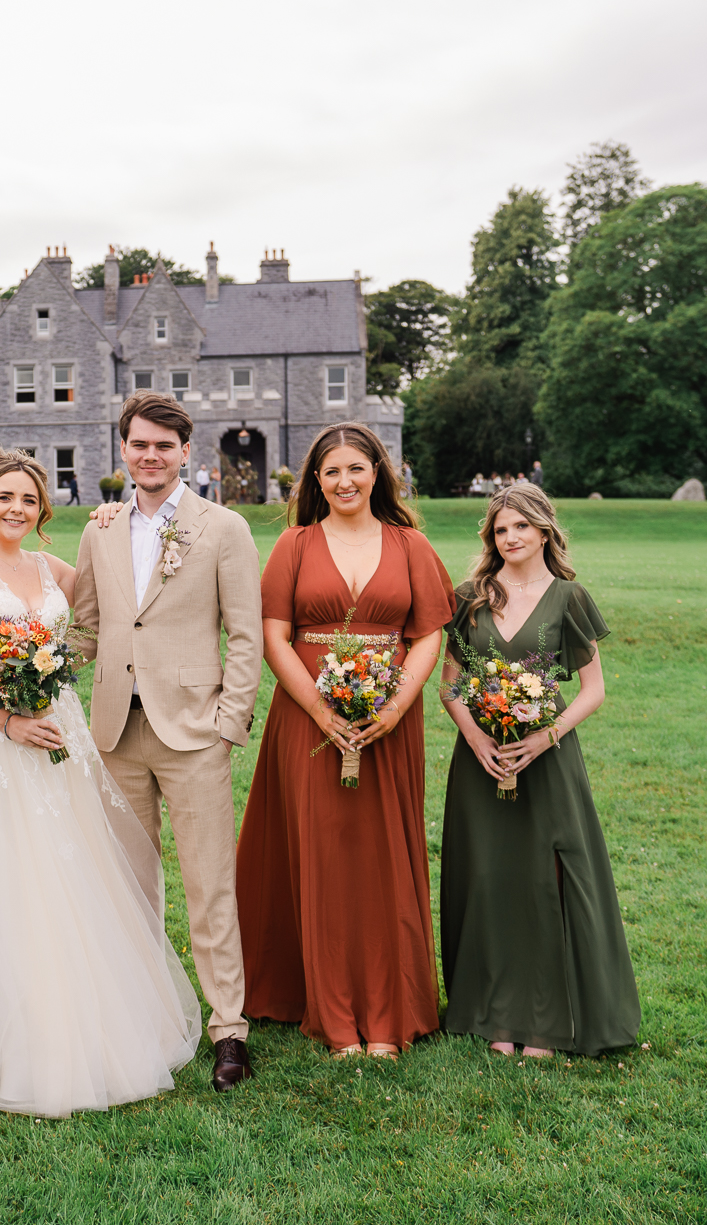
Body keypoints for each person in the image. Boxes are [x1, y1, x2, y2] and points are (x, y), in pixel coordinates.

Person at [0, 449, 201, 1117]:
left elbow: (123, 590)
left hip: (54, 732)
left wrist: (113, 521)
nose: (16, 509)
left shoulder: (52, 569)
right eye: (4, 497)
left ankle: (72, 1020)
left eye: (30, 501)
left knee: (61, 871)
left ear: (43, 513)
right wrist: (2, 718)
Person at [235, 424, 453, 1059]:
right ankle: (330, 1013)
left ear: (379, 473)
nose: (345, 481)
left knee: (382, 853)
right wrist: (321, 710)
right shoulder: (294, 545)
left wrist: (394, 705)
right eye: (332, 472)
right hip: (308, 719)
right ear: (315, 482)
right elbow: (274, 636)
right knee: (321, 854)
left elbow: (428, 635)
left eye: (357, 468)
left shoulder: (410, 545)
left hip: (390, 720)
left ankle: (388, 1010)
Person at [73, 393, 263, 1091]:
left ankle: (229, 1030)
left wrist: (228, 723)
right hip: (115, 732)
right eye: (138, 444)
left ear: (186, 451)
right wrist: (26, 669)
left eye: (163, 446)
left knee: (209, 886)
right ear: (121, 450)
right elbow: (87, 628)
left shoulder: (223, 528)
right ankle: (142, 1023)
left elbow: (245, 634)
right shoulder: (100, 528)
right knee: (128, 888)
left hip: (193, 734)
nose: (149, 456)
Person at [438, 484, 639, 1058]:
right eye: (501, 530)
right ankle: (494, 1014)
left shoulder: (569, 598)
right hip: (480, 761)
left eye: (522, 527)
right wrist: (477, 738)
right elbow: (450, 684)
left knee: (543, 882)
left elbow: (593, 690)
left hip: (547, 761)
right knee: (488, 880)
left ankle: (548, 1022)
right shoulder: (469, 597)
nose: (511, 538)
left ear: (545, 531)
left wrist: (543, 738)